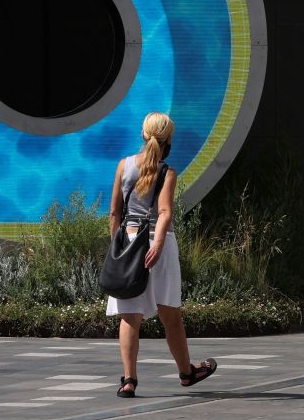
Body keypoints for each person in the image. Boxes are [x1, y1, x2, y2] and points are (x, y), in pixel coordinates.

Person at [107, 112, 217, 399]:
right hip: (160, 244)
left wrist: (118, 246)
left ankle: (129, 380)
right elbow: (165, 211)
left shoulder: (123, 166)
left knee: (130, 316)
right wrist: (155, 244)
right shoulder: (167, 172)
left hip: (129, 242)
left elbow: (115, 213)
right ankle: (186, 373)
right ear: (169, 139)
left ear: (143, 135)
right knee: (171, 315)